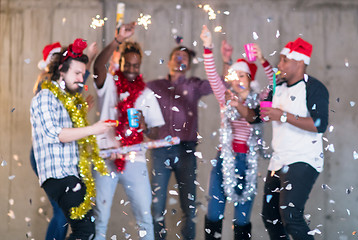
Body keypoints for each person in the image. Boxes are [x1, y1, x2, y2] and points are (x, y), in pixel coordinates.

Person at [30, 38, 115, 240]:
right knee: (85, 231)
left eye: (82, 73)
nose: (81, 78)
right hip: (59, 176)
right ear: (61, 71)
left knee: (86, 231)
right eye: (76, 73)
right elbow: (58, 134)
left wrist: (82, 111)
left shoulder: (66, 99)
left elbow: (68, 125)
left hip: (71, 173)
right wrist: (93, 129)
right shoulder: (45, 97)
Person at [147, 35, 230, 239]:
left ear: (189, 64)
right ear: (169, 61)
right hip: (159, 150)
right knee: (157, 205)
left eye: (184, 57)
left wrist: (226, 61)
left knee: (189, 206)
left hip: (186, 151)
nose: (180, 59)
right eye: (177, 55)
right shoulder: (153, 86)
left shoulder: (194, 85)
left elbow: (222, 85)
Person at [200, 25, 274, 240]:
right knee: (214, 213)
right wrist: (208, 46)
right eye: (236, 75)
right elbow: (212, 74)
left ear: (251, 79)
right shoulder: (226, 97)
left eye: (244, 75)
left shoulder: (261, 100)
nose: (239, 79)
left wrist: (262, 59)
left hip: (248, 163)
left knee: (242, 220)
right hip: (224, 159)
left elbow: (276, 82)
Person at [92, 22, 165, 240]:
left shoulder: (147, 94)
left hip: (135, 158)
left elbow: (157, 133)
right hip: (106, 156)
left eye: (136, 66)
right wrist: (118, 40)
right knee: (100, 218)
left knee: (144, 218)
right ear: (121, 62)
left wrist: (145, 127)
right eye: (128, 64)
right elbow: (97, 67)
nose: (132, 70)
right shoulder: (110, 84)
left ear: (140, 65)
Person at [258, 38, 329, 240]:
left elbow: (319, 124)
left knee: (290, 215)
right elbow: (257, 116)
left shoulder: (314, 87)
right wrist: (237, 103)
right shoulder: (277, 87)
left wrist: (282, 115)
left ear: (299, 62)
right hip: (278, 161)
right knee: (270, 217)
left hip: (303, 159)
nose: (279, 66)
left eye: (284, 60)